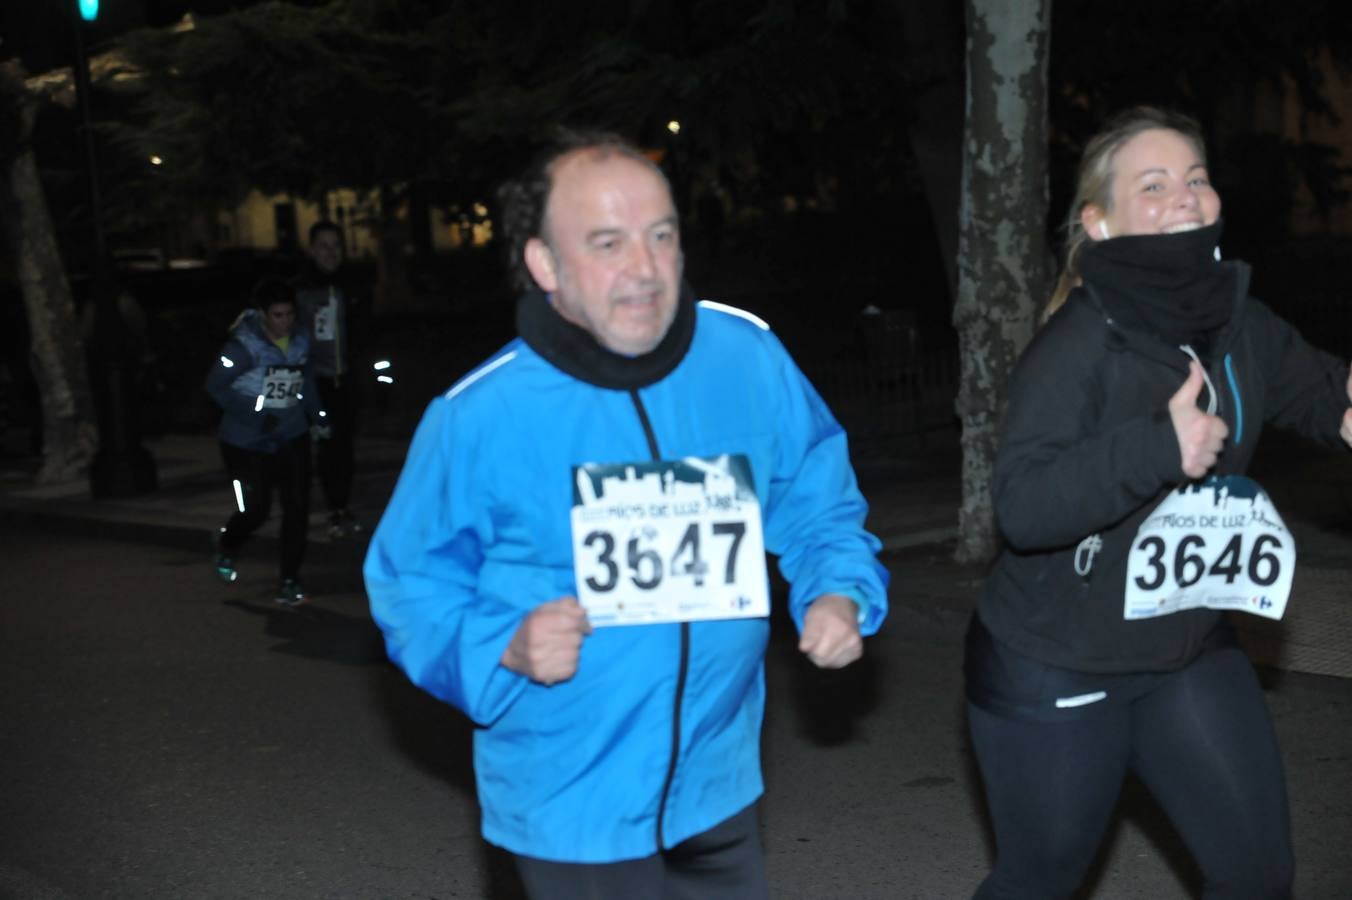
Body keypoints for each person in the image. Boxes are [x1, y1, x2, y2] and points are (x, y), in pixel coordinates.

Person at [363, 130, 889, 899]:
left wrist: (837, 590)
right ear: (545, 264)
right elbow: (408, 584)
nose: (644, 270)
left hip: (720, 785)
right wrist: (502, 645)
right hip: (571, 807)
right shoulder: (480, 415)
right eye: (607, 243)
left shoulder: (746, 356)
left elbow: (817, 496)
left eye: (661, 236)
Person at [965, 106, 1352, 899]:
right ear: (1098, 223)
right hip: (1056, 663)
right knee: (1041, 878)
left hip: (1186, 646)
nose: (1186, 195)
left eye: (1197, 177)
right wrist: (1155, 449)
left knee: (1257, 875)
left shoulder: (1238, 319)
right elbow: (1024, 507)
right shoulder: (1075, 347)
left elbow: (1319, 394)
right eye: (1154, 184)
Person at [206, 277, 325, 607]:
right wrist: (257, 416)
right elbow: (215, 387)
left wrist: (320, 417)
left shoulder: (300, 341)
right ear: (261, 314)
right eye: (277, 315)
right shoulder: (241, 347)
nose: (284, 322)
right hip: (246, 440)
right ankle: (228, 544)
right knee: (256, 510)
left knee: (297, 508)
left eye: (289, 314)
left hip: (291, 433)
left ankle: (290, 579)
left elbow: (307, 382)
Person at [293, 220, 363, 538]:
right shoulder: (302, 289)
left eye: (336, 246)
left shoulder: (353, 286)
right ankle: (332, 508)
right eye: (323, 246)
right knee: (326, 447)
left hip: (345, 378)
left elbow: (366, 332)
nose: (330, 253)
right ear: (311, 250)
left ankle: (343, 505)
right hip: (316, 382)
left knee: (345, 447)